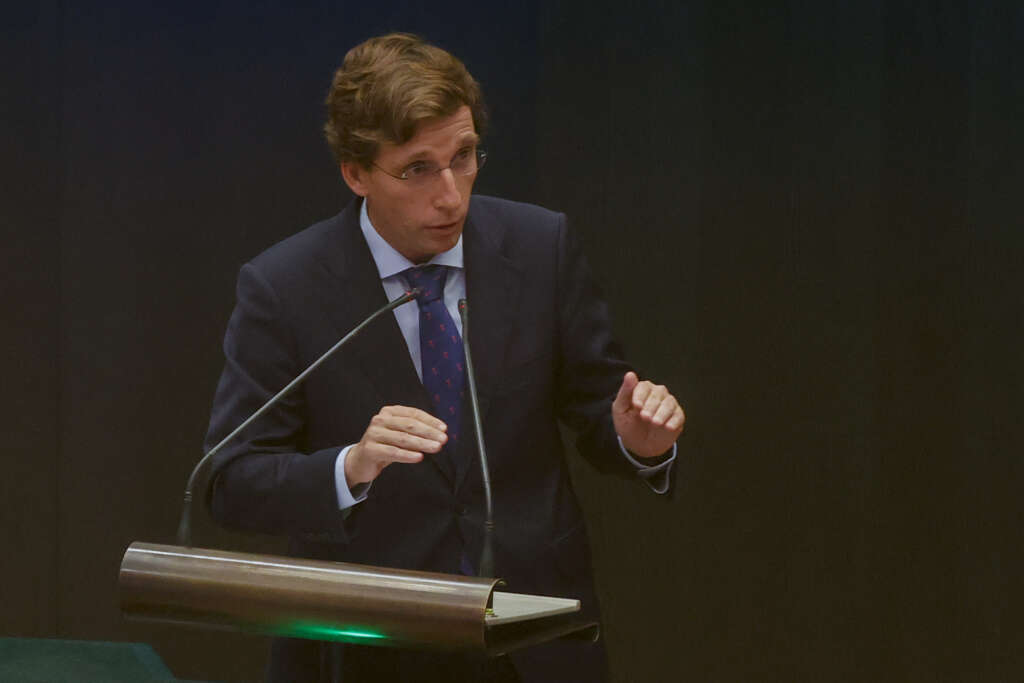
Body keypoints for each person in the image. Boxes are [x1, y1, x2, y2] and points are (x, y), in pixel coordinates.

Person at [205, 33, 685, 683]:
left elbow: (601, 409)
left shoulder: (540, 248)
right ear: (355, 172)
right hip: (365, 651)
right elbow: (230, 479)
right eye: (417, 169)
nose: (452, 193)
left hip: (533, 642)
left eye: (464, 157)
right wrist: (351, 466)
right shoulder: (285, 287)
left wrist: (636, 438)